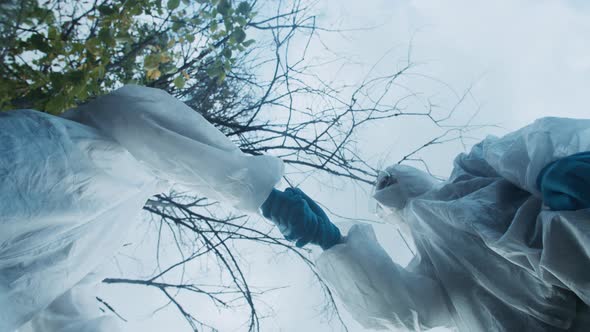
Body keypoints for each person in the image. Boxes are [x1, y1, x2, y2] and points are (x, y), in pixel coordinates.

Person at [262, 117, 590, 331]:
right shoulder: (428, 269)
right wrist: (331, 242)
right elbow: (401, 309)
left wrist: (556, 169)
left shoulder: (471, 172)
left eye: (389, 176)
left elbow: (528, 148)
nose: (386, 182)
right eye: (381, 186)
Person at [0, 85, 284, 332]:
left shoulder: (118, 223)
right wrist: (256, 189)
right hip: (22, 164)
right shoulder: (115, 132)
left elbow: (62, 300)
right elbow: (141, 117)